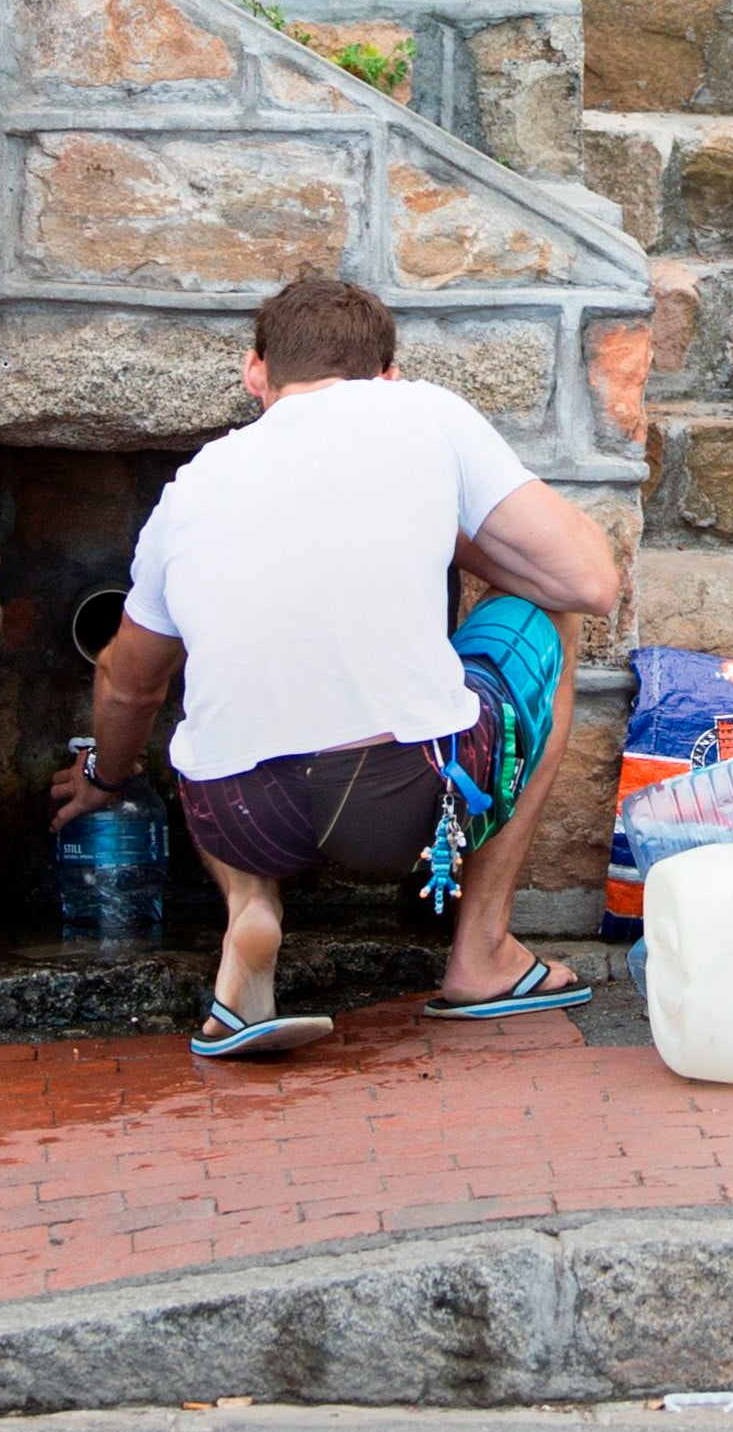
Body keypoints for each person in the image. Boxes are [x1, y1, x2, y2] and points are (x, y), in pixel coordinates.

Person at [53, 275, 627, 1061]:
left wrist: (107, 781)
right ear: (384, 376)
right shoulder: (420, 411)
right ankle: (481, 953)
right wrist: (450, 529)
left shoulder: (188, 491)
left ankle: (251, 910)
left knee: (206, 715)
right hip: (400, 801)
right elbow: (588, 584)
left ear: (256, 372)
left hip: (242, 818)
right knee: (549, 621)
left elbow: (129, 680)